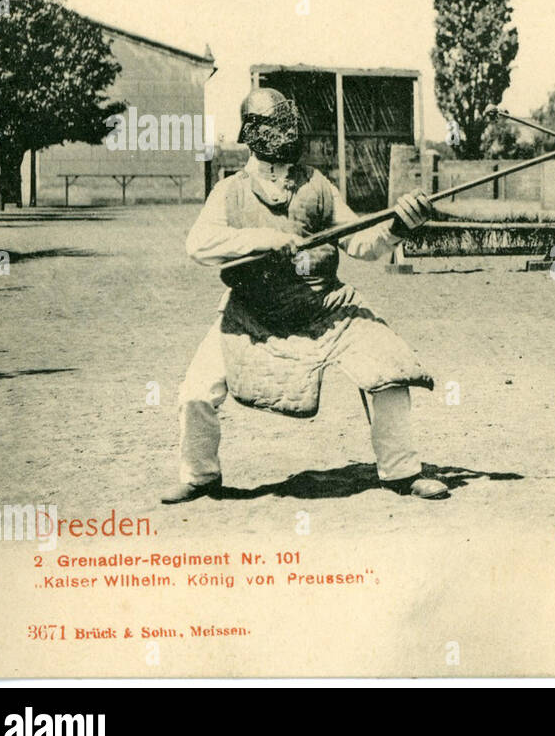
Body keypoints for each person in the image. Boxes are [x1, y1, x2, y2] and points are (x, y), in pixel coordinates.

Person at [162, 87, 447, 504]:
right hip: (252, 313)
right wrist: (264, 239)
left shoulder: (316, 185)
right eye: (276, 124)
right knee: (196, 391)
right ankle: (200, 475)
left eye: (288, 123)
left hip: (327, 308)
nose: (287, 132)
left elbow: (363, 244)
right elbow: (198, 245)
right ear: (253, 131)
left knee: (389, 372)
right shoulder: (229, 190)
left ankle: (402, 472)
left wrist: (399, 228)